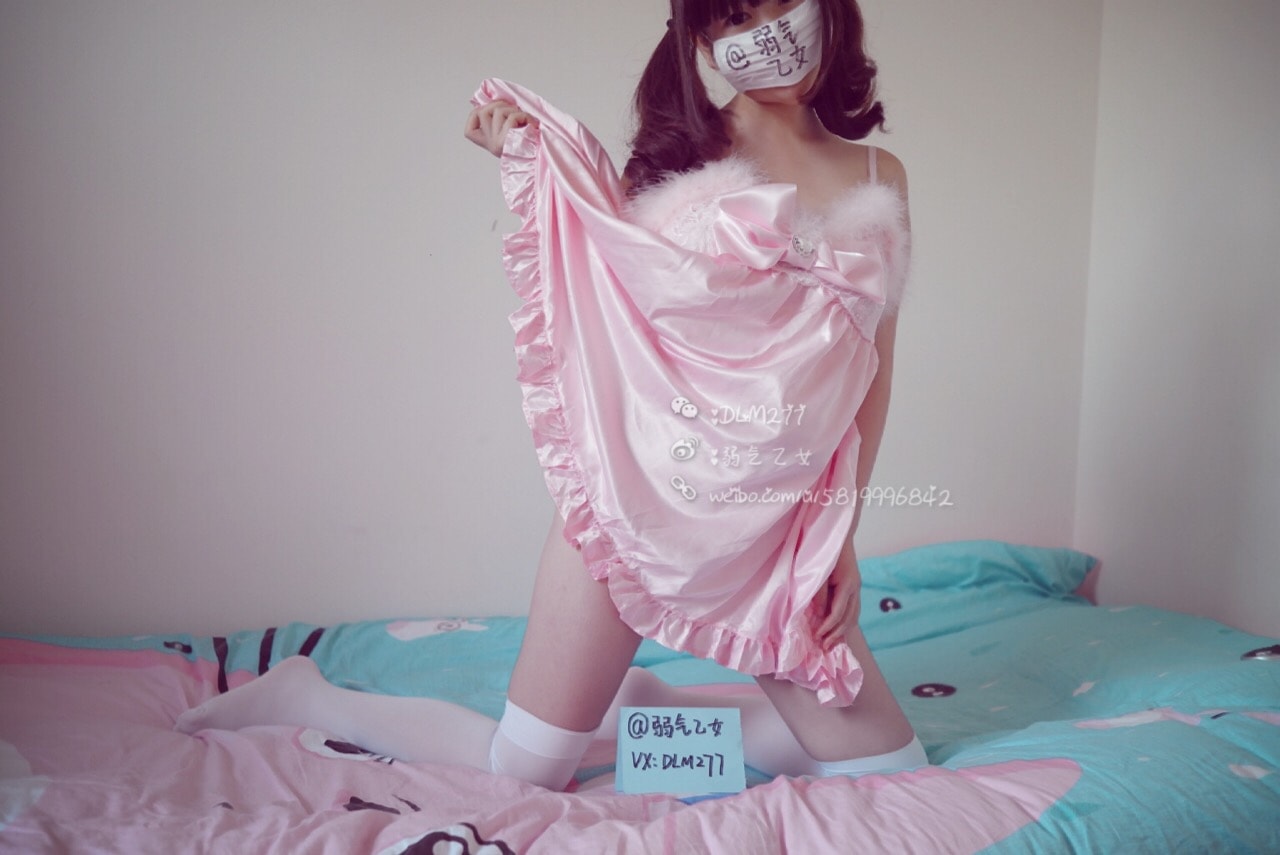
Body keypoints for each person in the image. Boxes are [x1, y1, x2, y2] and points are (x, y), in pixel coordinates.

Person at [177, 0, 926, 792]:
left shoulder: (880, 177)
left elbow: (872, 372)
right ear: (704, 39)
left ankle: (654, 705)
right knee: (525, 768)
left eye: (781, 3)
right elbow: (604, 296)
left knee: (892, 768)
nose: (767, 31)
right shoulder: (681, 157)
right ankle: (307, 694)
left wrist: (837, 534)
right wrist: (528, 156)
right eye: (735, 15)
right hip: (638, 503)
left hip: (773, 535)